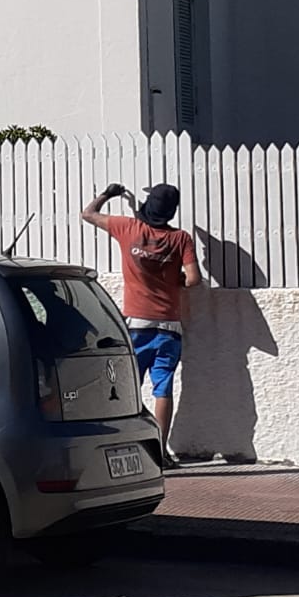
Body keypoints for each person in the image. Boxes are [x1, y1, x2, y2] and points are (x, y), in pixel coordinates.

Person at [81, 181, 201, 468]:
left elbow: (88, 214)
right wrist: (176, 281)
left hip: (137, 324)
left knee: (127, 388)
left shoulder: (128, 228)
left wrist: (108, 194)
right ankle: (160, 451)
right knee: (163, 388)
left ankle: (129, 444)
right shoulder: (181, 239)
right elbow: (194, 279)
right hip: (169, 326)